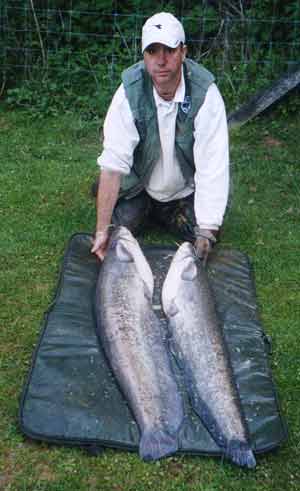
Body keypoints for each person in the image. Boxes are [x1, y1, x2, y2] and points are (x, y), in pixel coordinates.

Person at [91, 12, 229, 263]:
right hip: (141, 187)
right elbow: (113, 164)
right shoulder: (129, 92)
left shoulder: (206, 94)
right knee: (116, 234)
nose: (161, 60)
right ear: (144, 56)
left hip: (184, 191)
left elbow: (213, 165)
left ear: (183, 52)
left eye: (169, 50)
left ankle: (170, 213)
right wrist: (101, 230)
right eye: (152, 51)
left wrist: (207, 230)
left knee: (208, 233)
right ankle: (133, 204)